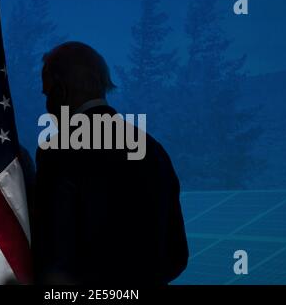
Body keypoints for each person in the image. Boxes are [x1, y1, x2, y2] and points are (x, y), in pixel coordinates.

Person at [32, 41, 188, 285]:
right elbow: (177, 256)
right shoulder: (153, 150)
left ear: (60, 90)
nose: (47, 105)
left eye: (47, 93)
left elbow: (54, 256)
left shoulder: (56, 153)